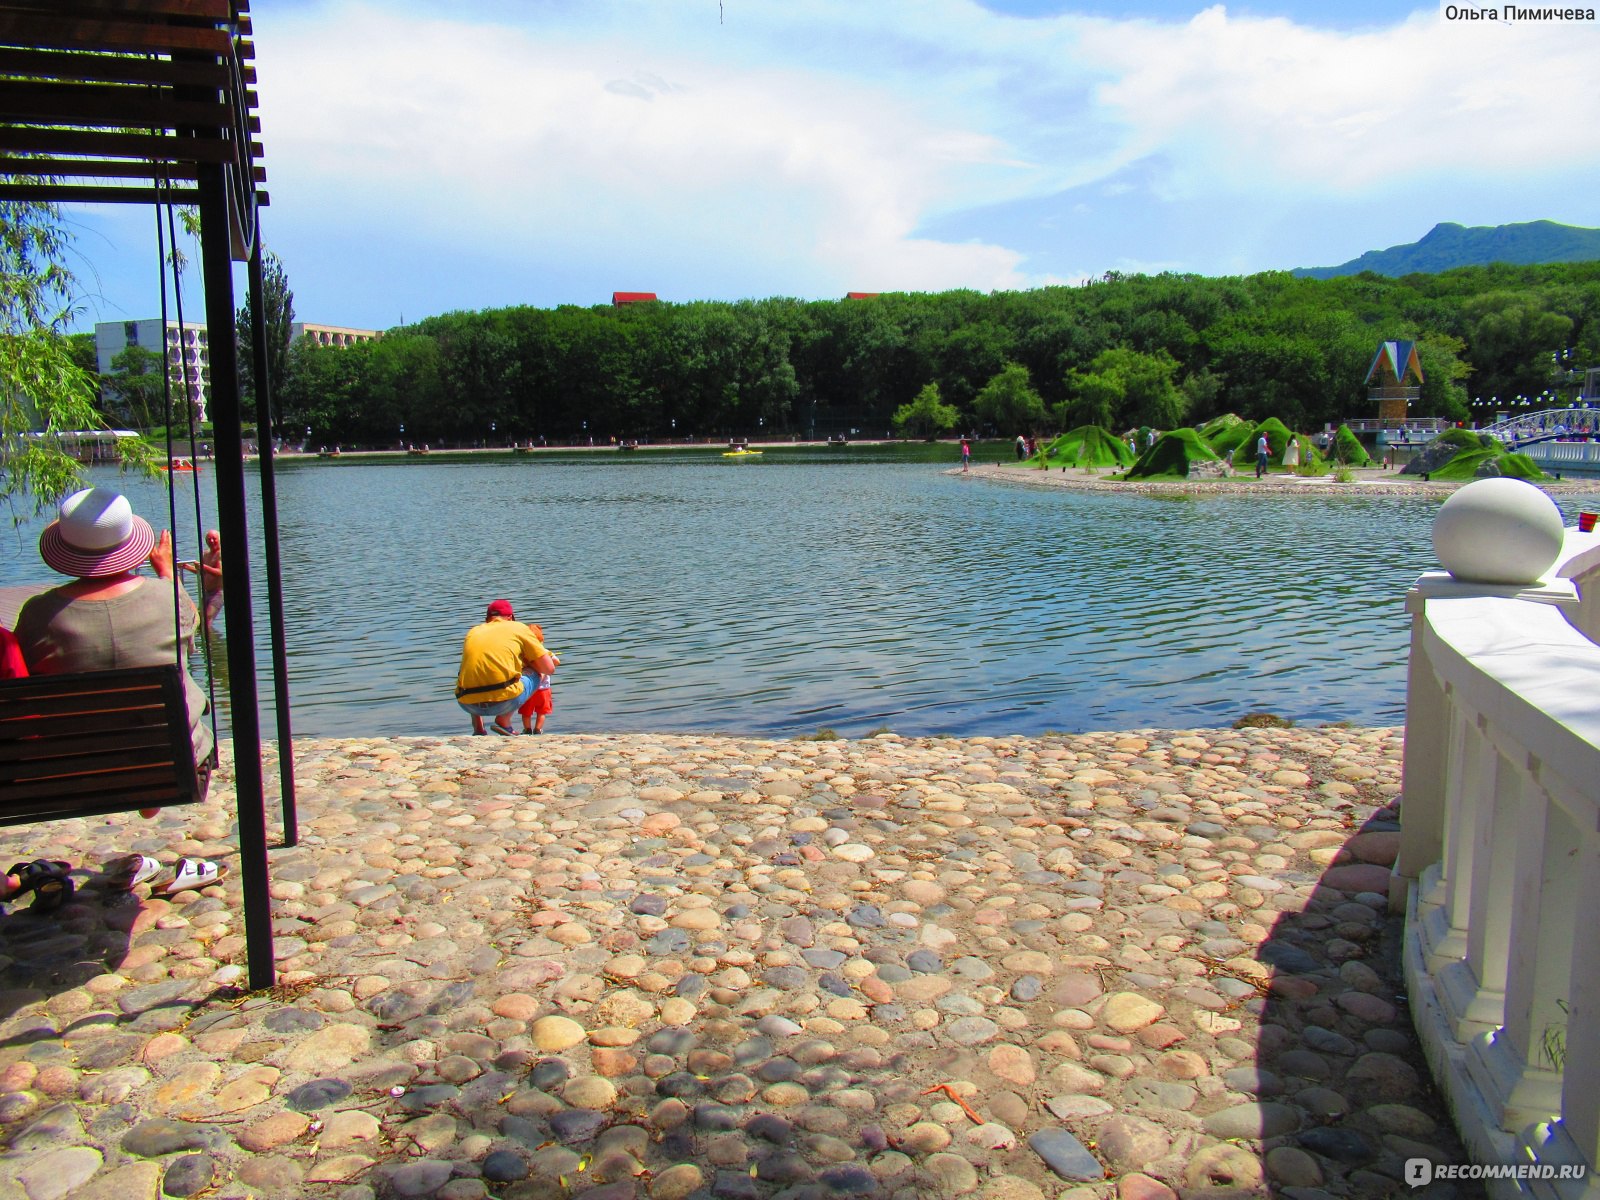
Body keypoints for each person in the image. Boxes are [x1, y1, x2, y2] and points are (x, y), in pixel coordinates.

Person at [14, 489, 214, 789]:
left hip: (75, 765)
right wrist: (167, 576)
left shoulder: (37, 613)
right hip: (173, 761)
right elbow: (189, 630)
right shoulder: (169, 597)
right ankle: (146, 788)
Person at [455, 599, 556, 736]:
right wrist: (527, 663)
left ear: (487, 619)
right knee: (538, 673)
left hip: (467, 703)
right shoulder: (518, 628)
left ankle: (478, 729)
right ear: (510, 617)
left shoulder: (473, 632)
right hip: (503, 702)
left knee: (473, 672)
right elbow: (549, 668)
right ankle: (504, 719)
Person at [179, 528, 223, 629]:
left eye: (214, 539)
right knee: (199, 620)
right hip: (207, 592)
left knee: (207, 619)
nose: (211, 541)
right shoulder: (205, 554)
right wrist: (186, 567)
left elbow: (220, 573)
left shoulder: (220, 554)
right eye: (209, 539)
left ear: (219, 539)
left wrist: (203, 567)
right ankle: (206, 640)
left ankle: (211, 644)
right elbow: (202, 572)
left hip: (218, 593)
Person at [523, 623, 560, 734]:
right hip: (544, 689)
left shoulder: (524, 654)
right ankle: (538, 729)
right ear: (541, 641)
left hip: (529, 688)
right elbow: (557, 661)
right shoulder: (545, 652)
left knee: (526, 712)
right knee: (541, 712)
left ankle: (527, 729)